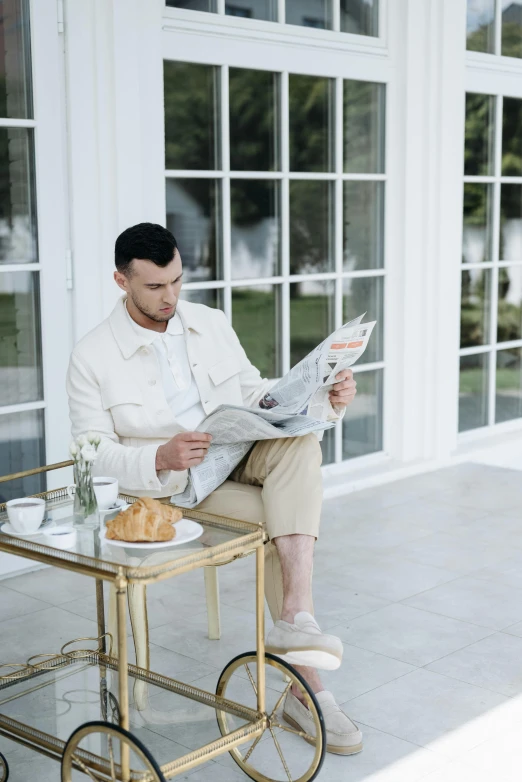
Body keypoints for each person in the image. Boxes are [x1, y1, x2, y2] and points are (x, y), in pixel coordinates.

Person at [67, 223, 362, 755]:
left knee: (301, 445)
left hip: (237, 452)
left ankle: (296, 618)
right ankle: (308, 687)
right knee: (279, 518)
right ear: (121, 280)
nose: (170, 297)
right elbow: (89, 455)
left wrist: (323, 396)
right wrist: (158, 456)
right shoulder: (92, 356)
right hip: (176, 489)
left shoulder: (210, 321)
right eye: (155, 287)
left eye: (177, 281)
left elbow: (255, 393)